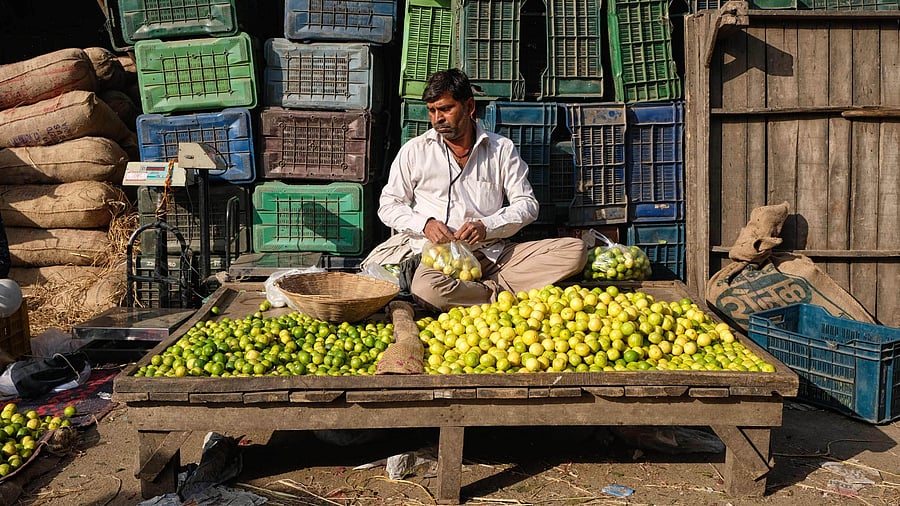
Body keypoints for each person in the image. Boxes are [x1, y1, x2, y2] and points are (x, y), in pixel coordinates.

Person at [375, 68, 586, 312]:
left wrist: (486, 226)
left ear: (469, 106)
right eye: (432, 111)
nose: (437, 118)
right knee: (427, 290)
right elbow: (388, 205)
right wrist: (425, 224)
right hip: (440, 260)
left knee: (575, 251)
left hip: (492, 254)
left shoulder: (501, 149)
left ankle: (476, 292)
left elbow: (527, 205)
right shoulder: (415, 150)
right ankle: (496, 292)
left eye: (445, 109)